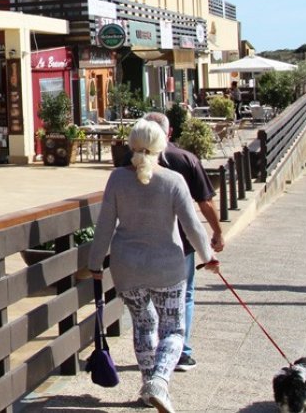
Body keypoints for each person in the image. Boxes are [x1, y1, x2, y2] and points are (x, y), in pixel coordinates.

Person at [90, 119, 218, 413]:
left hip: (127, 266)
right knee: (173, 330)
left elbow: (105, 225)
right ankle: (159, 381)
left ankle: (148, 390)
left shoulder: (117, 179)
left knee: (143, 324)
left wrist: (95, 263)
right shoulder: (173, 180)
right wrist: (208, 256)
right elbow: (192, 227)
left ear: (131, 145)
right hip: (167, 267)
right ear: (162, 146)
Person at [116, 112, 225, 372]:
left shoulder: (124, 165)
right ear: (168, 133)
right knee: (181, 301)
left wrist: (96, 262)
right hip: (176, 249)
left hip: (132, 254)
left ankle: (151, 364)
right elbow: (202, 206)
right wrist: (213, 242)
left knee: (144, 317)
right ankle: (179, 354)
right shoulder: (185, 160)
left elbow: (113, 213)